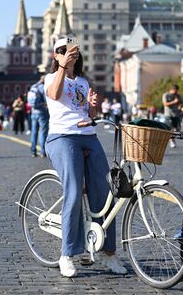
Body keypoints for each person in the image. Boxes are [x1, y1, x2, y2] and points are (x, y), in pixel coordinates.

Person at [44, 37, 127, 278]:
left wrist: (93, 107)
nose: (70, 55)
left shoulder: (82, 81)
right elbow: (54, 93)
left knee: (106, 191)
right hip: (63, 138)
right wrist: (62, 68)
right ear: (56, 56)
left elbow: (87, 113)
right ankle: (67, 254)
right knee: (73, 192)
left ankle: (107, 252)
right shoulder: (51, 77)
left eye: (73, 52)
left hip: (88, 136)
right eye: (63, 51)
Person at [28, 76, 49, 157]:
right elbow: (46, 100)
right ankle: (43, 152)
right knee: (43, 132)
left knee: (34, 132)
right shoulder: (43, 87)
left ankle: (33, 151)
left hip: (33, 112)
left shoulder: (33, 86)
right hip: (42, 112)